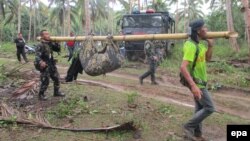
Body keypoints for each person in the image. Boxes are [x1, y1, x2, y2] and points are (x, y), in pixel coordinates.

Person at [180, 19, 215, 141]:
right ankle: (187, 126)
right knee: (210, 108)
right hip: (196, 82)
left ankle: (197, 134)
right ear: (198, 31)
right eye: (204, 27)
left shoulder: (200, 44)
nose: (206, 29)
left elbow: (208, 59)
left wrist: (210, 45)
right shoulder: (190, 45)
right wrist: (193, 86)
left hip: (202, 81)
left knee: (200, 108)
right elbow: (183, 67)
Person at [34, 30, 65, 100]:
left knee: (56, 78)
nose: (48, 35)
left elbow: (57, 49)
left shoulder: (50, 43)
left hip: (51, 64)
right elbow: (37, 56)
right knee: (45, 81)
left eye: (48, 34)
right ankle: (41, 95)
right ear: (42, 36)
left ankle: (56, 92)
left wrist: (57, 43)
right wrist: (41, 62)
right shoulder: (40, 45)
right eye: (46, 34)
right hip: (45, 65)